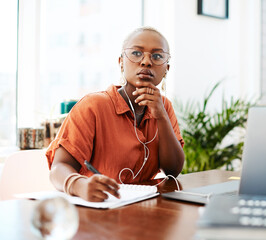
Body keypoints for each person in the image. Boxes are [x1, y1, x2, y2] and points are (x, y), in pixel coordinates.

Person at [46, 26, 185, 202]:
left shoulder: (164, 106)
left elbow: (173, 171)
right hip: (99, 207)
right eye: (136, 53)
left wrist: (162, 117)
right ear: (121, 62)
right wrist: (79, 185)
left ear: (166, 68)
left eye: (157, 56)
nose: (146, 62)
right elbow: (58, 167)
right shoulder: (93, 106)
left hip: (143, 209)